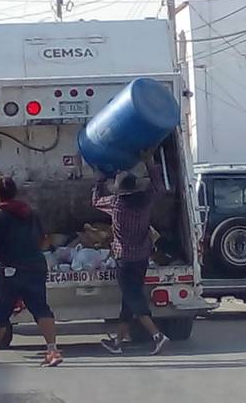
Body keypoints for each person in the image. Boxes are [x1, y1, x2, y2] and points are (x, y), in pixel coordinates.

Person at [0, 176, 63, 367]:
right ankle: (53, 350)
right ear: (15, 192)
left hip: (9, 272)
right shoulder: (31, 214)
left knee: (0, 314)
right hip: (35, 267)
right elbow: (42, 240)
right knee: (41, 309)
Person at [92, 149, 169, 355]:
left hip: (124, 259)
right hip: (142, 257)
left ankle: (157, 335)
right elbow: (159, 188)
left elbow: (96, 201)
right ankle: (117, 342)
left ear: (119, 191)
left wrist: (99, 181)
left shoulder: (116, 204)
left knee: (133, 298)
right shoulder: (145, 203)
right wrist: (149, 162)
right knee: (129, 300)